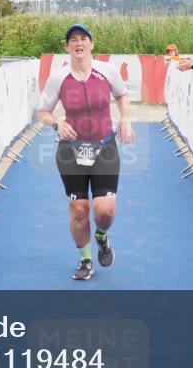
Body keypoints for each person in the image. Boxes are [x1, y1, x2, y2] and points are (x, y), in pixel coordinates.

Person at [36, 24, 135, 281]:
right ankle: (85, 260)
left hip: (105, 148)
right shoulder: (59, 77)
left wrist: (125, 119)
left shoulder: (107, 71)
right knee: (79, 209)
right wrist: (57, 123)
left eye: (83, 39)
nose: (78, 43)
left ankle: (102, 236)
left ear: (91, 44)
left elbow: (122, 94)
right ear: (67, 46)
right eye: (73, 40)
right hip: (70, 151)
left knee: (105, 211)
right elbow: (43, 112)